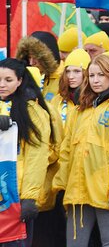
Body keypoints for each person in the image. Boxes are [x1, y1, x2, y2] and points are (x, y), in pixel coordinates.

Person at [53, 54, 109, 246]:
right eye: (92, 75)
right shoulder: (81, 109)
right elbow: (67, 150)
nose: (95, 80)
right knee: (74, 244)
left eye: (101, 75)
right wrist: (62, 184)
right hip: (78, 188)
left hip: (108, 189)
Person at [0, 59, 57, 246]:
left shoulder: (33, 112)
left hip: (15, 197)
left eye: (8, 80)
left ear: (20, 81)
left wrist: (30, 198)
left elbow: (37, 158)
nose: (2, 84)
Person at [15, 33, 62, 102]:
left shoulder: (64, 79)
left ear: (48, 58)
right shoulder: (26, 78)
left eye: (35, 58)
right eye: (29, 57)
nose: (31, 63)